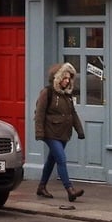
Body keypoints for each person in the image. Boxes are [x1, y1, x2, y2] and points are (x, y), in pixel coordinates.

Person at [34, 62, 86, 202]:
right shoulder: (47, 92)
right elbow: (39, 113)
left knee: (52, 160)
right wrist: (39, 132)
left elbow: (72, 114)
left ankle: (41, 187)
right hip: (50, 132)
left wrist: (79, 130)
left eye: (69, 78)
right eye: (64, 78)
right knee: (61, 159)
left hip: (63, 133)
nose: (67, 81)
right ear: (58, 78)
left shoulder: (67, 95)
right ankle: (70, 189)